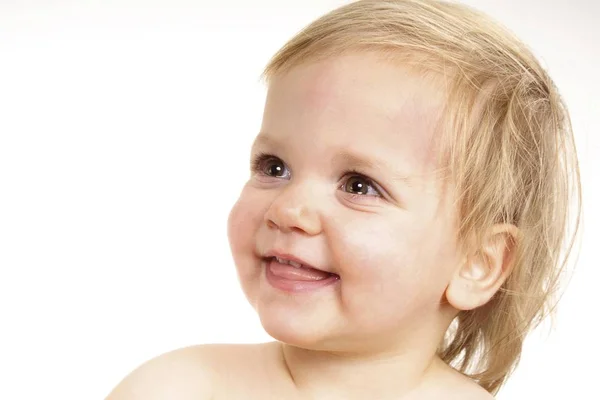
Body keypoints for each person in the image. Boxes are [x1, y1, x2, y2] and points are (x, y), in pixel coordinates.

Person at [106, 0, 581, 398]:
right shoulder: (178, 389)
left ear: (476, 263)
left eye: (358, 185)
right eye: (274, 168)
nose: (288, 209)